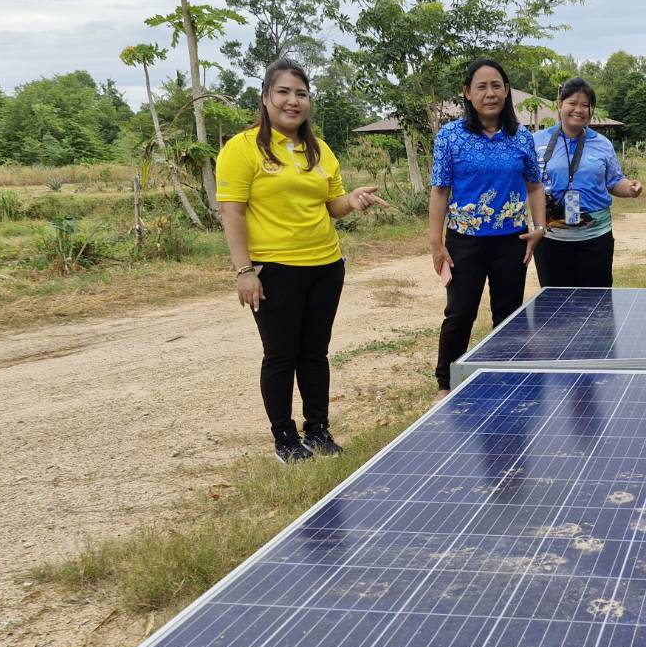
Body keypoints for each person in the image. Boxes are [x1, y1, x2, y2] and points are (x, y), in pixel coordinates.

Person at [218, 57, 389, 463]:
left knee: (315, 352)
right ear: (265, 98)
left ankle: (318, 430)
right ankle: (284, 438)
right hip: (274, 269)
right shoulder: (242, 149)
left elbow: (332, 206)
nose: (293, 101)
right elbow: (232, 212)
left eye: (301, 93)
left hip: (326, 266)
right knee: (281, 354)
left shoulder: (319, 150)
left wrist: (354, 200)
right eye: (284, 92)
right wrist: (244, 271)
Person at [430, 57, 548, 393]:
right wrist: (436, 244)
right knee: (460, 313)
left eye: (496, 85)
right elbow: (439, 191)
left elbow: (534, 186)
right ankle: (446, 383)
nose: (490, 93)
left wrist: (539, 227)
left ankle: (507, 375)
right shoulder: (451, 136)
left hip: (512, 239)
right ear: (467, 93)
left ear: (507, 90)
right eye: (481, 86)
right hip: (464, 241)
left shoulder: (521, 137)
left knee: (509, 314)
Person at [531, 78, 642, 288]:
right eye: (572, 103)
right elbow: (529, 185)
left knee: (596, 304)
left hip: (596, 237)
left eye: (585, 105)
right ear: (560, 104)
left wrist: (629, 188)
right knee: (555, 305)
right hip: (550, 239)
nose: (579, 110)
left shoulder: (602, 143)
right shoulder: (537, 141)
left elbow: (614, 180)